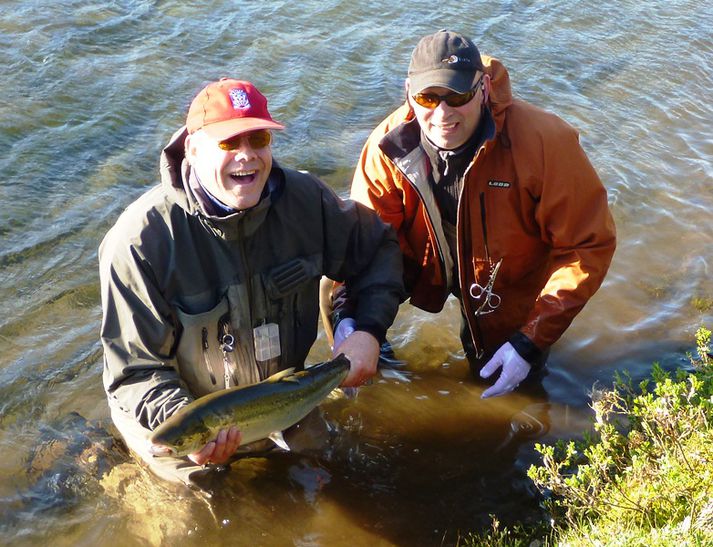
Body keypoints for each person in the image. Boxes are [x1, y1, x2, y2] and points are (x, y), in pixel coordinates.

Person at [99, 78, 404, 484]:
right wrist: (187, 426)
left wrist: (366, 329)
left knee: (335, 479)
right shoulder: (140, 242)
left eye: (258, 138)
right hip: (172, 420)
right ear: (192, 149)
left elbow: (378, 251)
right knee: (196, 516)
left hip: (282, 401)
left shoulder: (306, 201)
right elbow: (135, 372)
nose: (247, 156)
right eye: (228, 143)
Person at [335, 30, 616, 399]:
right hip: (421, 259)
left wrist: (530, 342)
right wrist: (359, 325)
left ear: (483, 89)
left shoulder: (546, 142)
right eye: (428, 97)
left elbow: (587, 247)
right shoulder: (386, 147)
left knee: (515, 387)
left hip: (503, 279)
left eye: (458, 96)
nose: (442, 113)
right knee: (337, 288)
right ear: (408, 92)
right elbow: (365, 247)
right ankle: (369, 364)